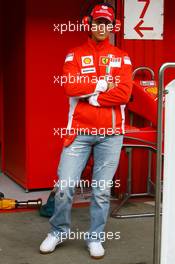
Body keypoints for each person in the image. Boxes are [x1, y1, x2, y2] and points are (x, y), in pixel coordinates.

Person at [40, 2, 133, 259]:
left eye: (106, 23)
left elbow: (125, 92)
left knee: (102, 190)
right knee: (65, 186)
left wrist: (94, 97)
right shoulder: (74, 54)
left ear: (112, 26)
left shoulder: (122, 57)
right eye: (97, 22)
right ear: (89, 24)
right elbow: (70, 86)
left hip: (111, 135)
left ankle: (95, 238)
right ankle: (58, 231)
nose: (102, 27)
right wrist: (103, 83)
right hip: (79, 131)